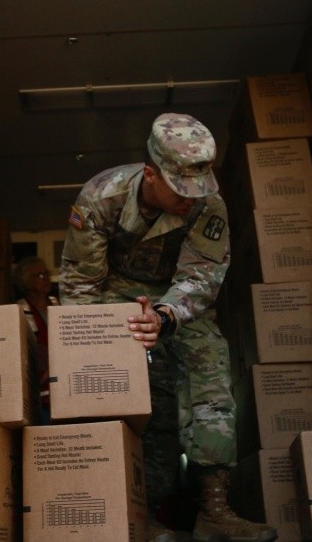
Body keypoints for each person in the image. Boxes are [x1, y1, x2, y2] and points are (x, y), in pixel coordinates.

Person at [59, 113, 277, 542]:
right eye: (181, 190)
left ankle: (214, 510)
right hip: (113, 303)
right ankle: (144, 514)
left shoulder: (208, 204)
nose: (191, 200)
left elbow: (203, 276)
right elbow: (81, 285)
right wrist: (92, 350)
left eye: (199, 188)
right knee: (143, 404)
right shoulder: (102, 196)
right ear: (150, 175)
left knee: (210, 375)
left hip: (179, 304)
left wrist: (163, 315)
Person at [14, 255, 59, 421]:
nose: (46, 278)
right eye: (40, 275)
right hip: (38, 386)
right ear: (26, 282)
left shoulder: (57, 303)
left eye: (47, 273)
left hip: (61, 383)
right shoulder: (19, 309)